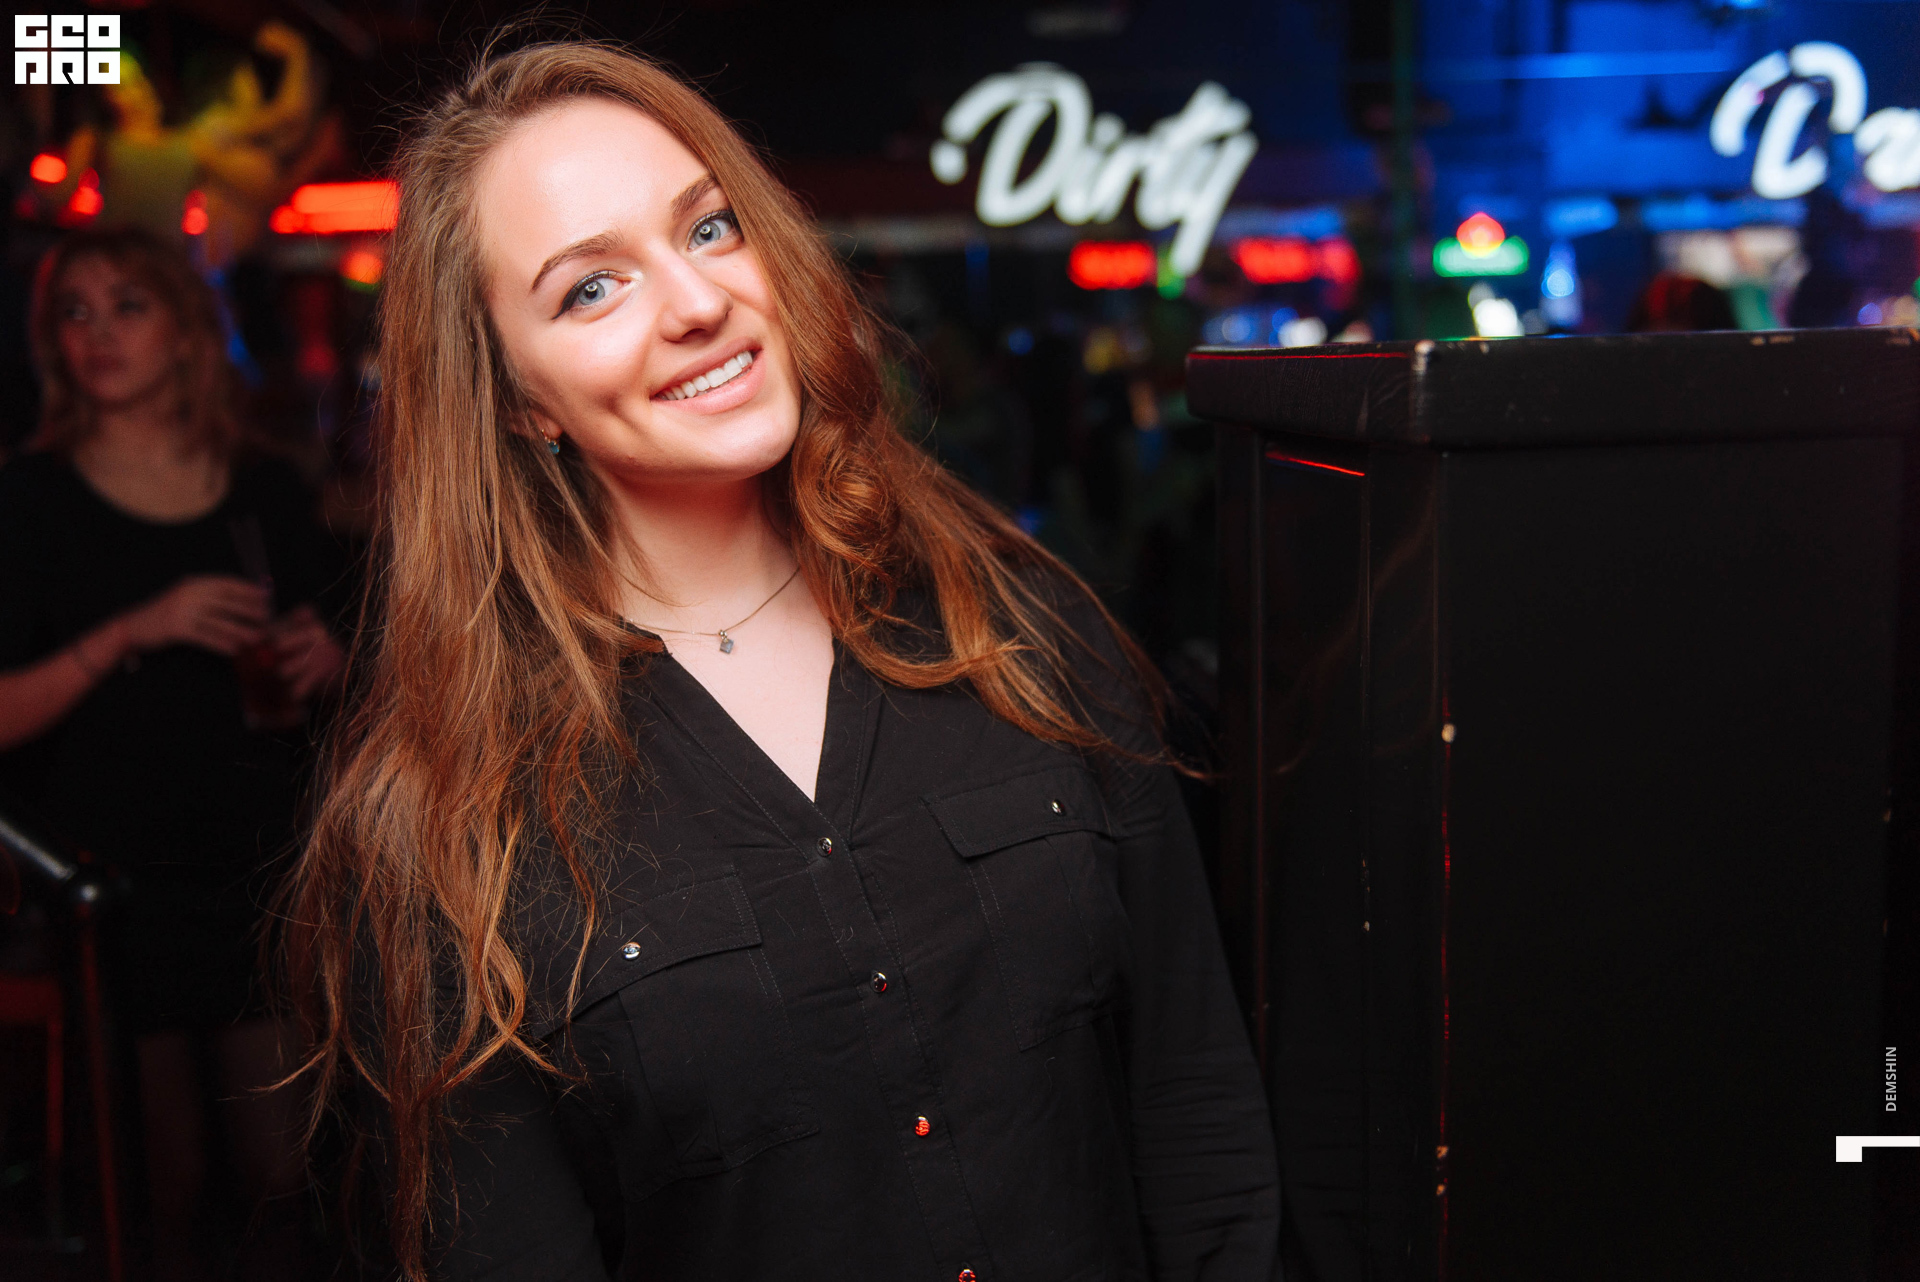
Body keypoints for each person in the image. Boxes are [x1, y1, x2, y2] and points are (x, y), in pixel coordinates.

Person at [281, 42, 1278, 1282]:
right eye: (591, 289)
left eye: (709, 228)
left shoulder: (1022, 633)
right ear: (520, 400)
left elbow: (1198, 1115)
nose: (696, 302)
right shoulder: (453, 824)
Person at [0, 225, 346, 1279]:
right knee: (159, 1191)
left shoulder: (263, 490)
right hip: (112, 895)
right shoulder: (28, 501)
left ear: (190, 331)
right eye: (75, 311)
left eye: (128, 305)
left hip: (257, 877)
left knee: (285, 1183)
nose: (97, 333)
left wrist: (329, 656)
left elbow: (352, 656)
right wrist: (132, 631)